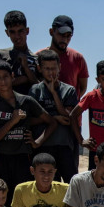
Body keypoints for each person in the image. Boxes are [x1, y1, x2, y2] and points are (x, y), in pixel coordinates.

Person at [0, 60, 50, 199]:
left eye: (6, 76)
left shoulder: (26, 101)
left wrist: (37, 141)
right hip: (2, 159)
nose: (3, 81)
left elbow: (51, 122)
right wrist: (12, 121)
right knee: (3, 199)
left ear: (12, 76)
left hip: (23, 158)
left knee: (23, 200)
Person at [29, 49, 80, 182]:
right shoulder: (35, 91)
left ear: (60, 68)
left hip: (65, 145)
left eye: (54, 68)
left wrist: (54, 93)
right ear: (40, 69)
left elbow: (69, 117)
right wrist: (54, 118)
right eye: (47, 69)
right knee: (48, 184)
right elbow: (30, 120)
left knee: (71, 184)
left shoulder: (68, 90)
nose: (51, 72)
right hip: (43, 146)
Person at [0, 11, 39, 95]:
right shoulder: (0, 55)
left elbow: (40, 87)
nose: (17, 36)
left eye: (20, 31)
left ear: (27, 31)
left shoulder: (36, 59)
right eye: (12, 32)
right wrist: (24, 78)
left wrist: (26, 68)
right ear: (7, 33)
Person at [40, 16, 87, 95]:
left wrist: (71, 103)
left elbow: (83, 88)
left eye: (68, 36)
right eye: (61, 34)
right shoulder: (39, 56)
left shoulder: (78, 58)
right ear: (51, 32)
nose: (65, 40)